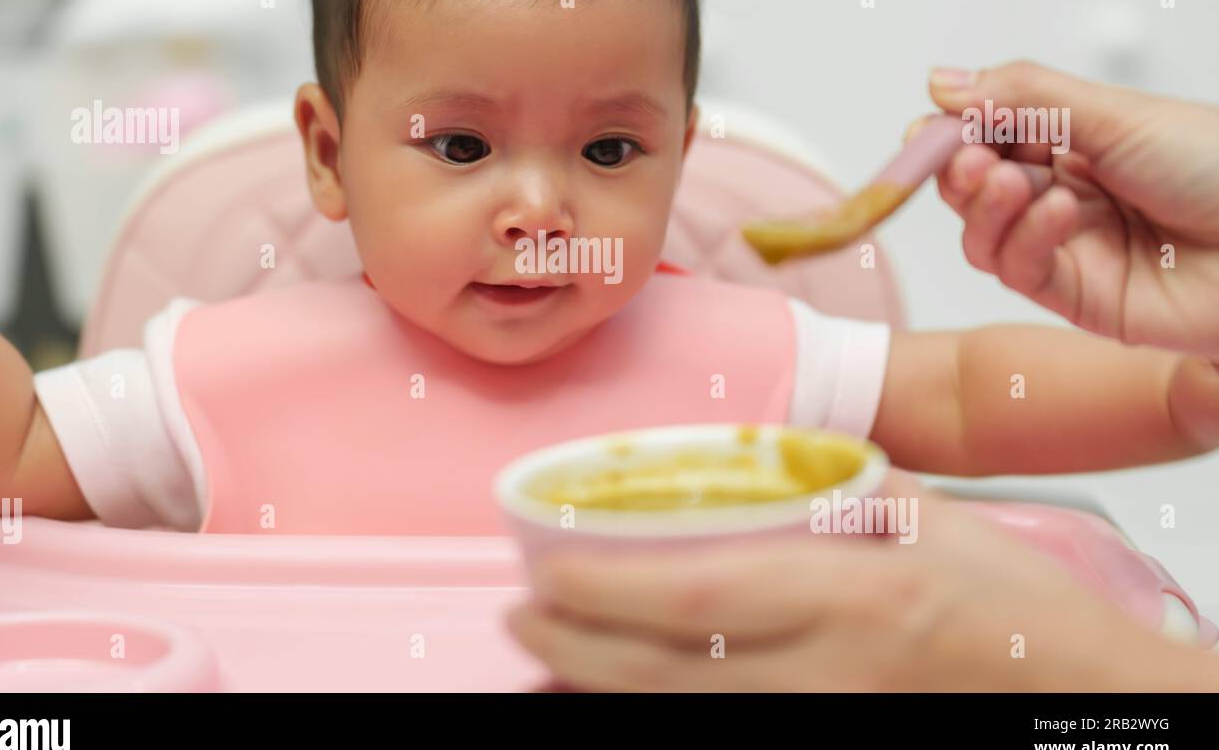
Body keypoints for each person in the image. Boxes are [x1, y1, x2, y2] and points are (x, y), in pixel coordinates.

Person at [509, 61, 1219, 691]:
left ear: (680, 154)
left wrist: (1182, 388)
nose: (539, 212)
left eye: (608, 150)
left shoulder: (728, 347)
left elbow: (964, 393)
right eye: (459, 148)